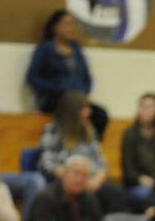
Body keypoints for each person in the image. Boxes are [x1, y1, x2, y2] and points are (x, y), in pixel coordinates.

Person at [26, 10, 108, 138]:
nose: (70, 28)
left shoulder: (77, 50)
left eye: (72, 25)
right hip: (54, 99)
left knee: (100, 114)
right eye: (66, 24)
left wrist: (83, 91)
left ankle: (92, 148)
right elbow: (33, 78)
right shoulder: (45, 50)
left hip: (77, 98)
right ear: (55, 27)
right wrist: (57, 86)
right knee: (70, 114)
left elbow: (87, 77)